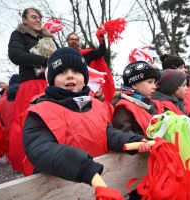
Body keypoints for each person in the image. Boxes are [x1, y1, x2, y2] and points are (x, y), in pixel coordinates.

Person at [21, 47, 151, 191]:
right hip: (60, 189)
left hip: (96, 183)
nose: (70, 76)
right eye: (62, 72)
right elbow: (42, 150)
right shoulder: (39, 112)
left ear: (85, 79)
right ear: (51, 80)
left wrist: (133, 140)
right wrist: (82, 166)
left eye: (76, 71)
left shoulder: (96, 105)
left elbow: (107, 133)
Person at [8, 7, 59, 172]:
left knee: (54, 122)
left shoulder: (49, 38)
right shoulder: (18, 34)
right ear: (24, 20)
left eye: (40, 18)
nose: (38, 20)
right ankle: (27, 165)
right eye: (34, 17)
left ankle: (58, 159)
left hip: (51, 85)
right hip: (30, 85)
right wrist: (45, 61)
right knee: (27, 124)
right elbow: (15, 55)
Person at [112, 61, 164, 135]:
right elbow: (125, 135)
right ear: (134, 85)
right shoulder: (124, 107)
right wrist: (143, 142)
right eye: (150, 82)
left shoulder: (152, 104)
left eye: (154, 83)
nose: (154, 87)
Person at [66, 28, 115, 102]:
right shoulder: (63, 55)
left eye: (76, 40)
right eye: (72, 39)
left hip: (84, 87)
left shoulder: (86, 55)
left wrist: (101, 35)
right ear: (68, 41)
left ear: (78, 42)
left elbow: (101, 51)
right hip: (68, 85)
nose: (74, 41)